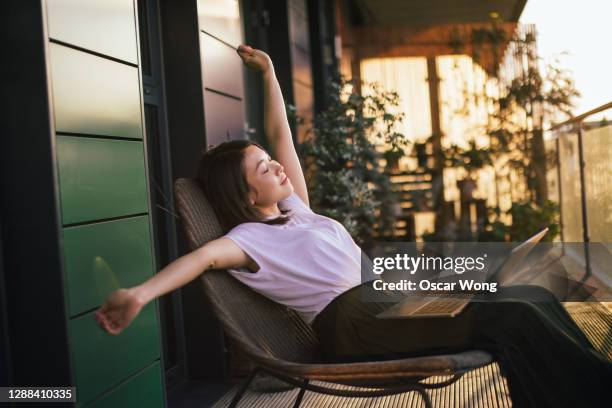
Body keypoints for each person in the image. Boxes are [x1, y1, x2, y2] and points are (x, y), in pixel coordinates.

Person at [96, 45, 611, 407]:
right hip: (356, 325)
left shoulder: (296, 210)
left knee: (531, 297)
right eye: (263, 169)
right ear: (247, 196)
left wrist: (270, 75)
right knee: (513, 320)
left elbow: (283, 136)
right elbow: (199, 260)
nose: (277, 166)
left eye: (270, 161)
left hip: (387, 298)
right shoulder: (246, 241)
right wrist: (140, 294)